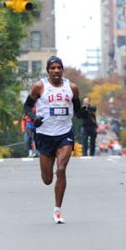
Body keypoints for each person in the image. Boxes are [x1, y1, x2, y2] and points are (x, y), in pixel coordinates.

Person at [22, 56, 80, 223]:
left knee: (61, 170)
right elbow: (26, 107)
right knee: (47, 179)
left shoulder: (72, 88)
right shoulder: (40, 87)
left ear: (62, 70)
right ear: (48, 70)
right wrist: (34, 117)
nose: (56, 70)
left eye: (59, 67)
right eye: (53, 68)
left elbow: (77, 112)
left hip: (64, 134)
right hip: (45, 134)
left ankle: (57, 211)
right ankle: (50, 176)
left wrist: (85, 111)